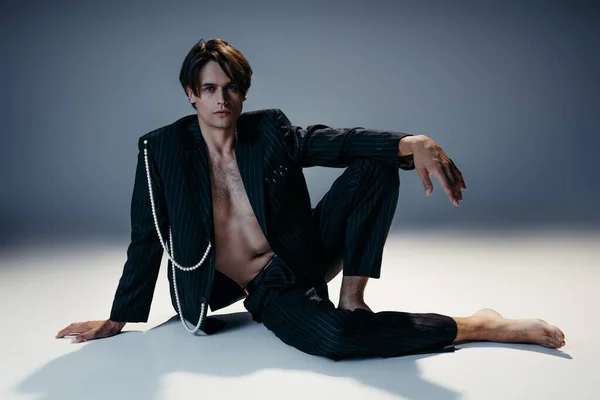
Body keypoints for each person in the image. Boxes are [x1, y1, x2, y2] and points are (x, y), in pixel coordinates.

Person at [56, 38, 565, 359]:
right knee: (336, 341)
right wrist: (119, 317)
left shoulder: (269, 131)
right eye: (209, 88)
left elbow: (336, 141)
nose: (221, 99)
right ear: (191, 92)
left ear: (244, 93)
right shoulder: (161, 149)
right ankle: (477, 325)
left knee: (377, 165)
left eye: (231, 89)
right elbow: (146, 235)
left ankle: (353, 297)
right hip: (256, 286)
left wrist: (409, 143)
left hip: (298, 258)